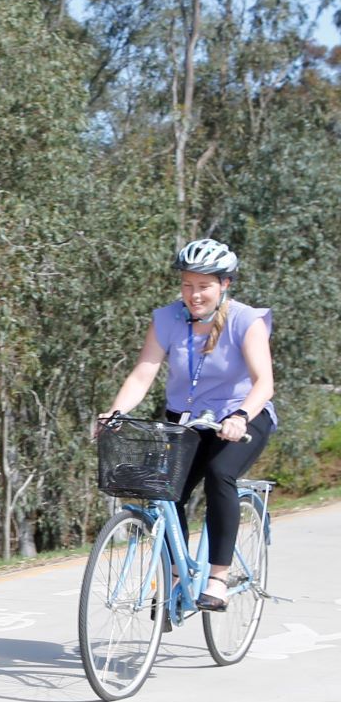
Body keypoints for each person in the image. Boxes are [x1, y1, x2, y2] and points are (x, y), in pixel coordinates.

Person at [101, 237, 275, 612]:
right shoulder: (167, 318)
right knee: (165, 490)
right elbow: (142, 374)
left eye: (203, 286)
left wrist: (240, 415)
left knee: (219, 473)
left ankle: (218, 577)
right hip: (186, 422)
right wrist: (115, 411)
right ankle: (177, 575)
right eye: (187, 285)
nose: (194, 295)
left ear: (224, 284)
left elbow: (264, 383)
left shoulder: (247, 321)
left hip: (241, 419)